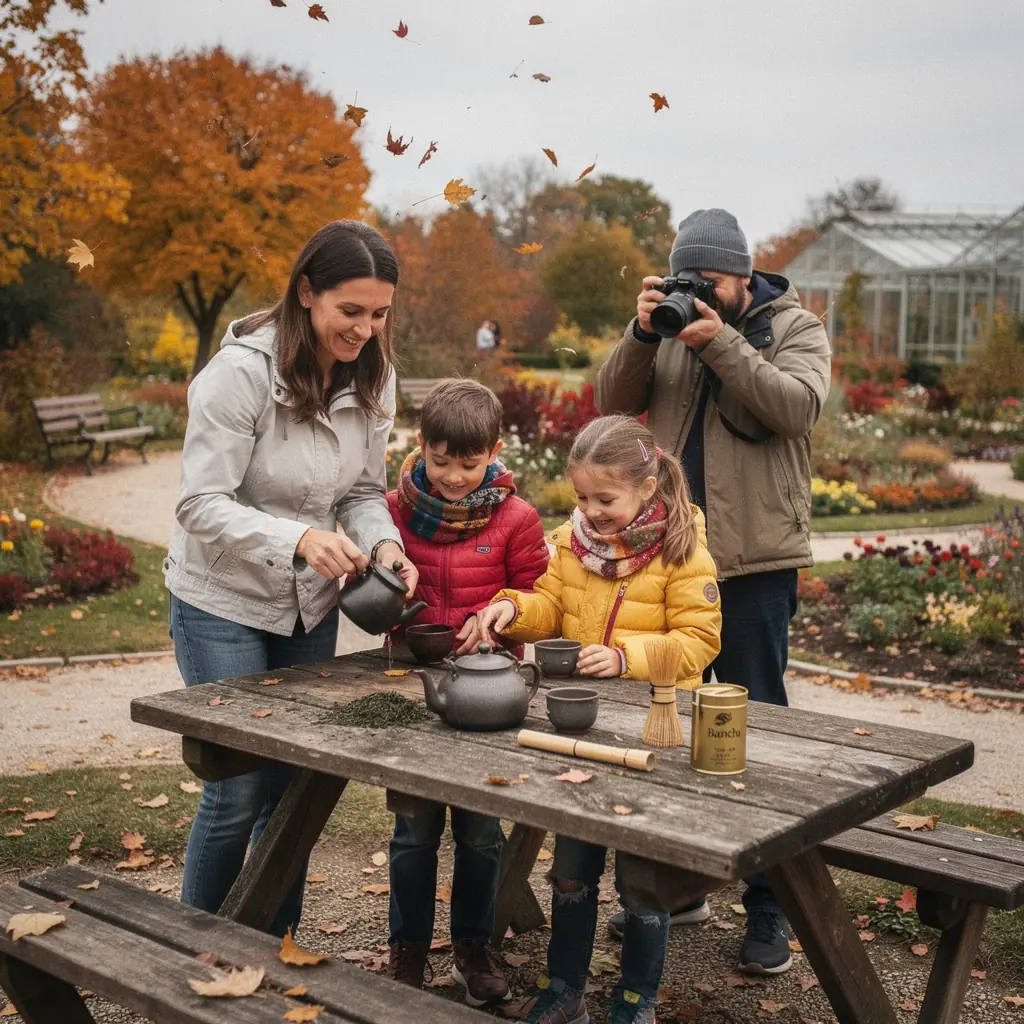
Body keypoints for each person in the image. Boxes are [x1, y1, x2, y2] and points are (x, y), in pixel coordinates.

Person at [165, 220, 419, 938]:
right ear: (306, 292)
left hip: (309, 607)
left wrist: (385, 544)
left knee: (291, 795)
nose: (365, 330)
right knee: (236, 789)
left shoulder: (375, 376)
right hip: (221, 601)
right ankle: (192, 953)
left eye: (379, 314)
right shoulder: (239, 376)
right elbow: (199, 503)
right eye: (350, 310)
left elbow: (362, 490)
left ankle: (275, 950)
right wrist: (300, 539)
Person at [595, 208, 831, 974]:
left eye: (711, 280)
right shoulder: (668, 326)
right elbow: (610, 403)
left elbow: (796, 408)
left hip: (756, 560)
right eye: (687, 278)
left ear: (742, 274)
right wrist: (643, 333)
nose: (699, 291)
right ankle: (678, 887)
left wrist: (719, 341)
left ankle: (772, 909)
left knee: (755, 727)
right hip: (671, 553)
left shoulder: (793, 327)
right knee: (665, 719)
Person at [477, 414, 722, 1024]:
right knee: (571, 866)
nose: (591, 511)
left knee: (641, 880)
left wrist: (625, 657)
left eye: (605, 499)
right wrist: (513, 610)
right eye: (582, 497)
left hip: (653, 733)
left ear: (647, 488)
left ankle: (636, 998)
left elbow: (699, 640)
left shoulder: (682, 548)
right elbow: (551, 603)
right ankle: (564, 989)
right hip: (581, 729)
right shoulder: (572, 541)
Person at [384, 378, 549, 1005]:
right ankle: (407, 946)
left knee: (480, 833)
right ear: (421, 445)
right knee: (413, 829)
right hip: (415, 691)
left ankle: (474, 946)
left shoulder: (517, 519)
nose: (453, 477)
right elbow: (372, 586)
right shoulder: (393, 511)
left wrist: (505, 614)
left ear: (495, 453)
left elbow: (540, 601)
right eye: (440, 461)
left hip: (487, 695)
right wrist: (389, 598)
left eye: (469, 464)